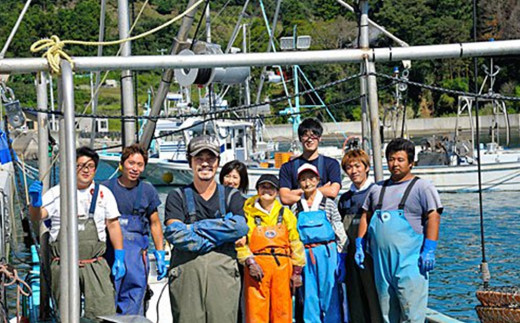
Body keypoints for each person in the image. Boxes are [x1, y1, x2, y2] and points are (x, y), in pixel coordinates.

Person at [28, 146, 125, 320]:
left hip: (94, 264)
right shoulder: (57, 193)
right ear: (72, 167)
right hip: (63, 265)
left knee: (103, 312)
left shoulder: (104, 194)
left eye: (91, 166)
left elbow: (113, 225)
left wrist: (119, 255)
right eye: (81, 165)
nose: (86, 170)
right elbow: (37, 216)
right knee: (65, 314)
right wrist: (35, 203)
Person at [163, 135, 249, 323]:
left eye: (210, 158)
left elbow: (241, 227)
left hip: (223, 276)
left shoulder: (231, 196)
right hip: (187, 276)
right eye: (199, 159)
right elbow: (175, 234)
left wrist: (193, 228)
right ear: (190, 162)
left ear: (218, 162)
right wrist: (221, 233)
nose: (205, 164)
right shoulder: (176, 197)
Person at [356, 138, 442, 323]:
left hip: (410, 263)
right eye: (391, 159)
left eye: (400, 159)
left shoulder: (422, 187)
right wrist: (359, 244)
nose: (395, 164)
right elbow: (365, 216)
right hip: (381, 265)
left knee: (412, 315)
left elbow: (433, 216)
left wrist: (429, 249)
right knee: (387, 314)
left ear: (411, 163)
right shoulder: (377, 189)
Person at [103, 144, 166, 315]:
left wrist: (160, 253)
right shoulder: (105, 189)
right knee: (107, 301)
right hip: (108, 256)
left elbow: (155, 223)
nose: (135, 168)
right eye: (131, 163)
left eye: (140, 164)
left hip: (137, 259)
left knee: (135, 302)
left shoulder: (147, 191)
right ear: (122, 163)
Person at [236, 174, 306, 323]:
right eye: (263, 187)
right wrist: (250, 262)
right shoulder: (247, 213)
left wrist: (297, 271)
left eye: (271, 187)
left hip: (283, 268)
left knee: (283, 311)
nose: (267, 190)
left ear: (277, 191)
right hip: (257, 268)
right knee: (256, 311)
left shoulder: (286, 214)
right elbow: (241, 243)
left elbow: (295, 241)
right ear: (257, 190)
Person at [292, 163, 348, 323]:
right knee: (309, 296)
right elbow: (292, 234)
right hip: (305, 255)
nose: (307, 183)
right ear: (299, 183)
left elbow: (338, 228)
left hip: (327, 253)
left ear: (318, 180)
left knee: (330, 294)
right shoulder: (296, 207)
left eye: (311, 178)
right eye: (303, 179)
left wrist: (341, 255)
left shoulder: (328, 203)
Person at [337, 149, 382, 323]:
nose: (353, 171)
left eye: (357, 166)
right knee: (354, 299)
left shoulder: (377, 192)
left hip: (371, 255)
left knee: (374, 298)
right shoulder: (345, 199)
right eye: (349, 167)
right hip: (350, 256)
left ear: (367, 167)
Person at [279, 118, 342, 206]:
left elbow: (332, 192)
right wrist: (322, 189)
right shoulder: (287, 167)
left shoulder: (331, 164)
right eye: (305, 135)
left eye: (313, 135)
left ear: (320, 138)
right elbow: (284, 198)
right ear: (300, 139)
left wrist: (296, 192)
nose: (310, 139)